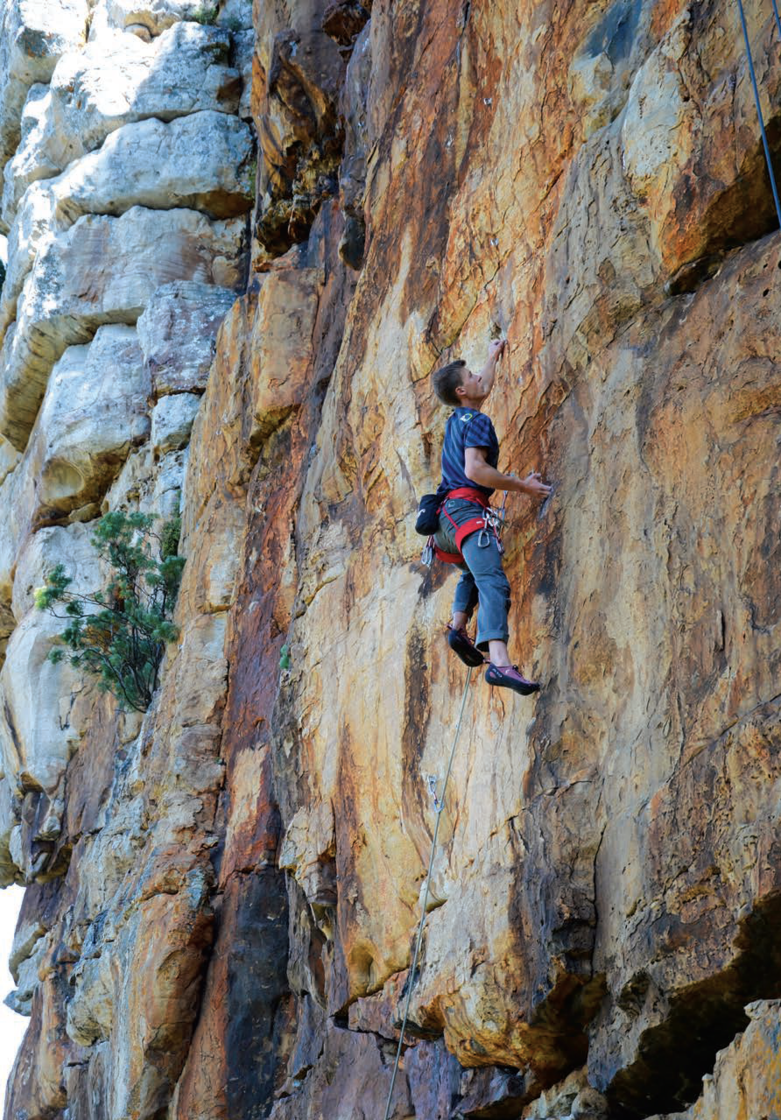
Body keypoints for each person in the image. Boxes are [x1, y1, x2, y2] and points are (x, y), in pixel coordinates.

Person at [431, 340, 551, 695]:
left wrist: (492, 355)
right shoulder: (478, 420)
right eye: (472, 375)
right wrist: (522, 487)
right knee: (493, 582)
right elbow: (476, 469)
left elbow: (483, 384)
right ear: (462, 390)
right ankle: (499, 663)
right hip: (467, 514)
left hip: (444, 526)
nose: (480, 377)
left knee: (474, 570)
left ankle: (458, 625)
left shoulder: (457, 420)